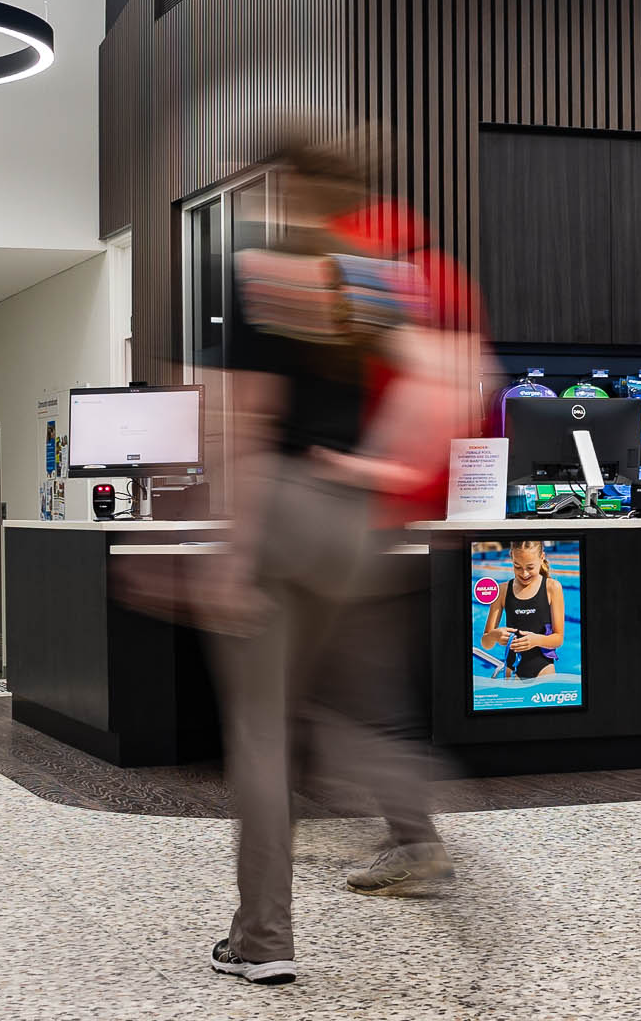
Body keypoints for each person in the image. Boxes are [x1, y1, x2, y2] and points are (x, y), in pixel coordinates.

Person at [203, 135, 457, 989]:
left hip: (280, 505)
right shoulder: (378, 276)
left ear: (289, 184)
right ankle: (412, 815)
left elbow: (244, 419)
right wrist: (379, 466)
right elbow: (444, 382)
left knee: (261, 733)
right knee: (349, 699)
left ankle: (262, 939)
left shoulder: (259, 269)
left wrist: (227, 558)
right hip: (355, 524)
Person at [479, 540, 566, 680]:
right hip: (512, 673)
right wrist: (494, 635)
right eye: (517, 566)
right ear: (511, 557)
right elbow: (485, 643)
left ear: (542, 557)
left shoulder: (552, 588)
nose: (524, 574)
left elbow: (558, 638)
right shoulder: (502, 591)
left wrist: (536, 640)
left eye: (530, 567)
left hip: (543, 671)